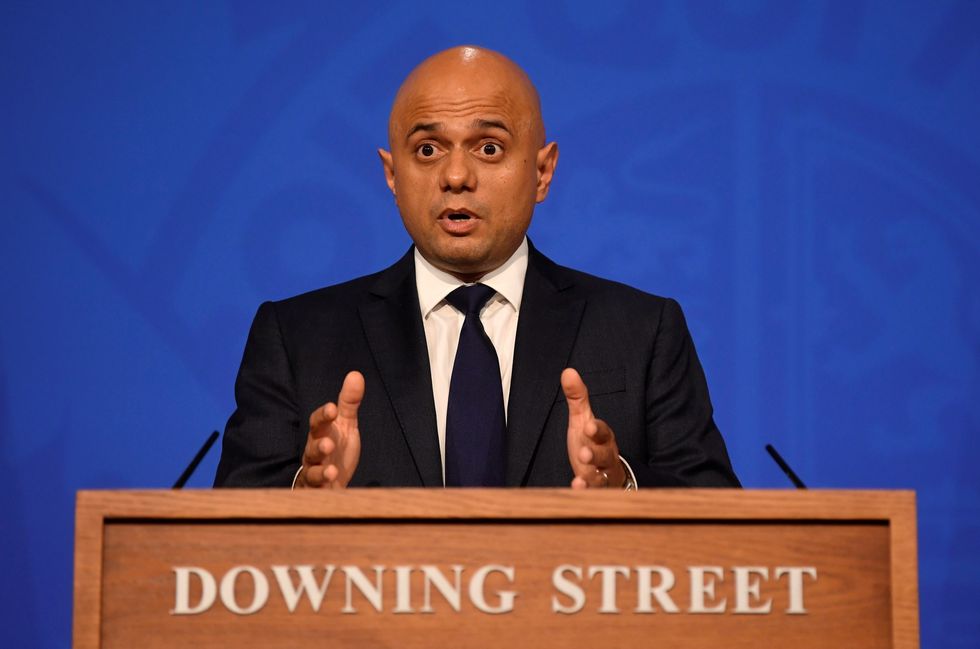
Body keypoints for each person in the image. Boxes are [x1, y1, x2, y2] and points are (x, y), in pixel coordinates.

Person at [214, 46, 739, 490]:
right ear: (392, 175)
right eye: (427, 150)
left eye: (489, 148)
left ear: (542, 170)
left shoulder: (643, 331)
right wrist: (303, 494)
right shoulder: (295, 338)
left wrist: (621, 482)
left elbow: (724, 524)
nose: (457, 175)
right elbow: (221, 542)